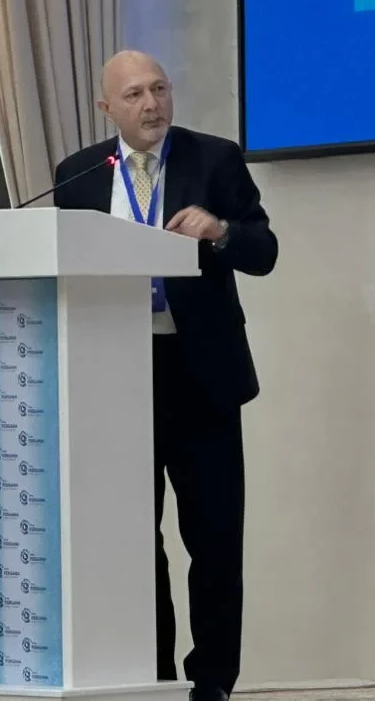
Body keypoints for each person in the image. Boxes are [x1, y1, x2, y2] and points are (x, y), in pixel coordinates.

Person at [53, 50, 278, 701]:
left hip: (201, 375)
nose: (151, 104)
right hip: (115, 376)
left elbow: (263, 250)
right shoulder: (78, 177)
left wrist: (219, 230)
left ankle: (212, 682)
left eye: (159, 89)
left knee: (214, 540)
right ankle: (150, 678)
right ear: (107, 108)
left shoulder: (215, 159)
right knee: (132, 539)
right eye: (134, 95)